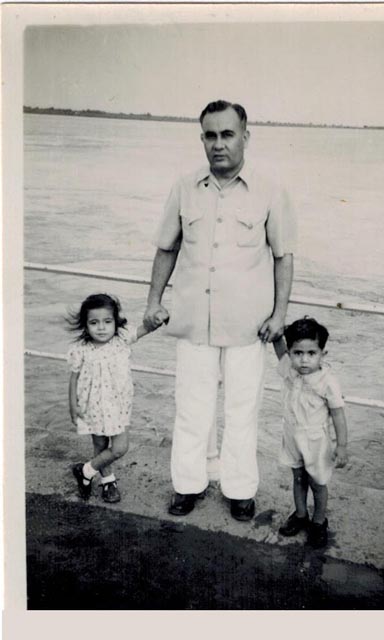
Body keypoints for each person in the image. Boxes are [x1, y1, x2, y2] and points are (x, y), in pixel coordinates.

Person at [143, 99, 297, 521]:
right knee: (192, 409)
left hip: (250, 326)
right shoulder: (184, 185)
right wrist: (153, 301)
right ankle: (187, 485)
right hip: (193, 321)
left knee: (242, 411)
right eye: (210, 135)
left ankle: (240, 490)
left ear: (246, 136)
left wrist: (279, 315)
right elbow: (166, 247)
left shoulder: (270, 189)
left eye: (227, 134)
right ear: (202, 139)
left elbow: (283, 257)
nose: (218, 144)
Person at [67, 293, 162, 503]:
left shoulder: (122, 339)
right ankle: (108, 481)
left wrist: (157, 318)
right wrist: (73, 405)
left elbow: (146, 328)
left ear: (115, 322)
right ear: (86, 325)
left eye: (107, 321)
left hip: (119, 405)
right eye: (94, 322)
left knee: (119, 447)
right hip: (92, 405)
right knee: (100, 446)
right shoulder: (80, 350)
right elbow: (73, 378)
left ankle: (85, 471)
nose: (101, 327)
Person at [273, 316, 348, 548]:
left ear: (322, 354)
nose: (304, 360)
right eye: (298, 353)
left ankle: (318, 521)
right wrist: (275, 325)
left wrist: (342, 446)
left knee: (318, 482)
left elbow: (337, 414)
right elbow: (278, 345)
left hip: (316, 440)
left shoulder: (327, 381)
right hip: (292, 435)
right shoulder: (290, 369)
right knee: (297, 477)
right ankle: (301, 514)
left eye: (311, 353)